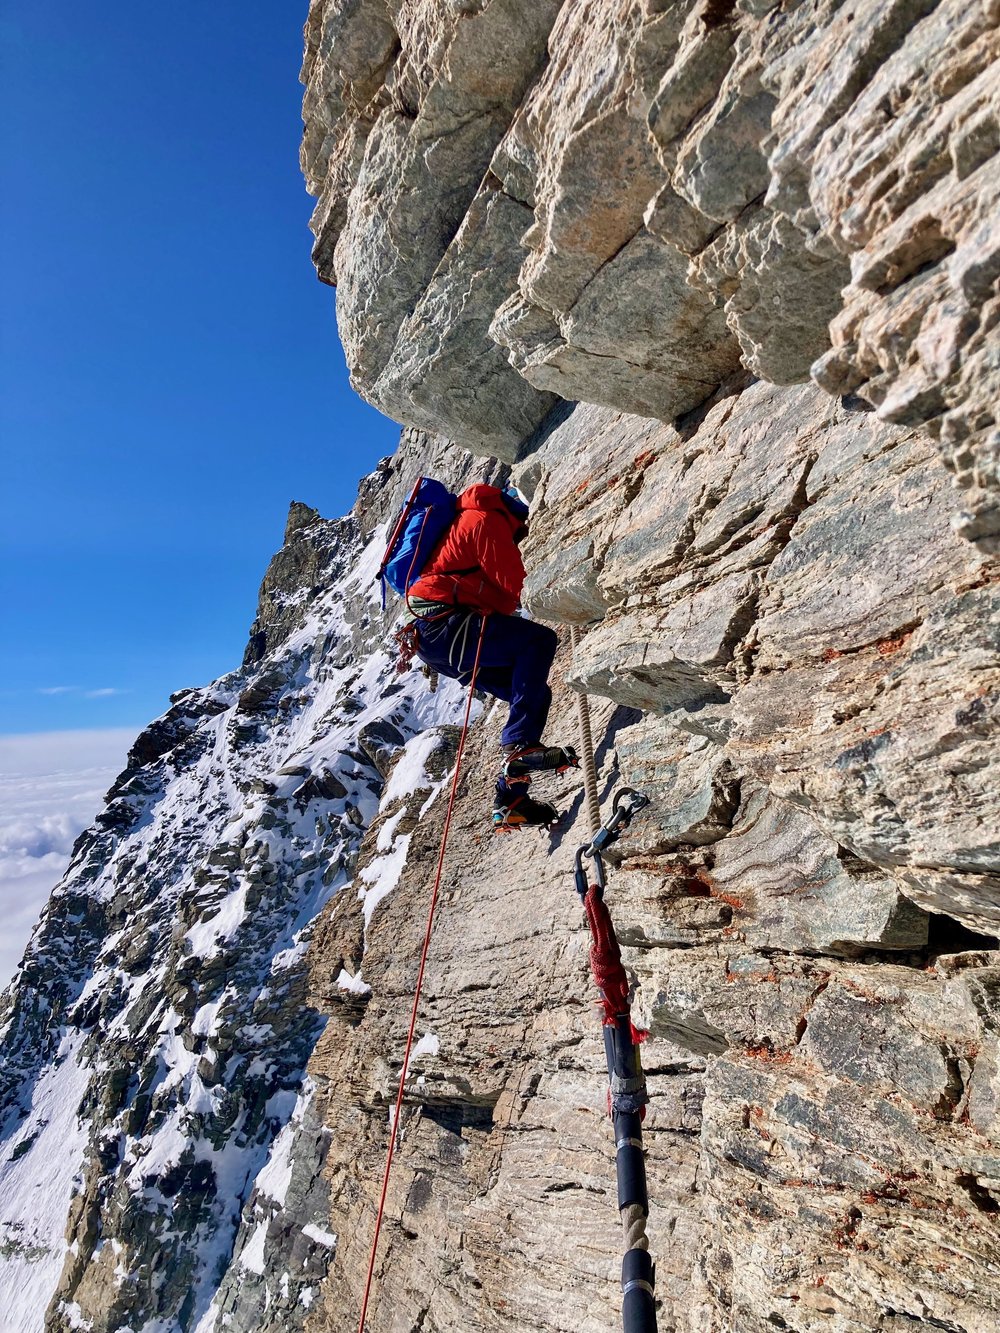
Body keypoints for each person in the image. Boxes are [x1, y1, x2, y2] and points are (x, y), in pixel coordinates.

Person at [405, 482, 578, 831]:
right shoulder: (486, 519)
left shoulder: (470, 521)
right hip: (447, 626)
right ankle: (519, 745)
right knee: (539, 641)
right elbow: (512, 583)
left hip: (437, 640)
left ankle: (511, 800)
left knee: (532, 693)